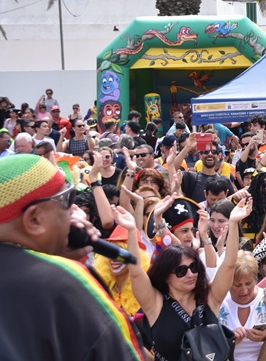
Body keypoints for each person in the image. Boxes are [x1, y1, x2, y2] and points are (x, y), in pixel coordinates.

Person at [0, 154, 146, 359]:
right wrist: (62, 267)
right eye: (67, 199)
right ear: (34, 219)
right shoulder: (64, 282)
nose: (76, 209)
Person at [117, 197, 251, 361]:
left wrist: (233, 223)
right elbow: (136, 273)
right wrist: (132, 231)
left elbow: (229, 264)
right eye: (181, 271)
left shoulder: (209, 297)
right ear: (165, 274)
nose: (190, 274)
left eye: (193, 267)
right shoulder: (155, 303)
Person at [218, 250, 266, 361]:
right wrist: (228, 340)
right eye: (237, 285)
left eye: (248, 283)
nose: (244, 290)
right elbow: (206, 343)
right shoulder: (218, 302)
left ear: (256, 279)